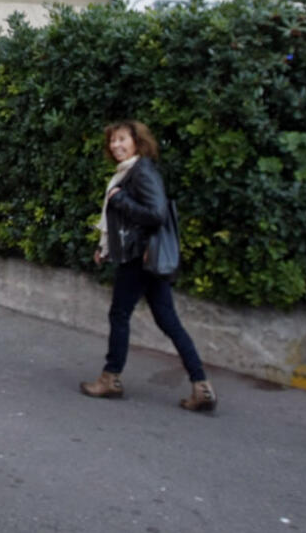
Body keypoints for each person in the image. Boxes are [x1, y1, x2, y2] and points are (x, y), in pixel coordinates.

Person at [79, 120, 217, 412]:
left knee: (119, 314)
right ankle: (201, 385)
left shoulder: (141, 172)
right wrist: (104, 248)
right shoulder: (131, 171)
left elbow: (156, 214)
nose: (116, 146)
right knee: (168, 320)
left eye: (121, 140)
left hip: (139, 258)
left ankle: (110, 378)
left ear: (137, 141)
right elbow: (127, 222)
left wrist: (122, 200)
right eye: (112, 141)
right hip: (143, 256)